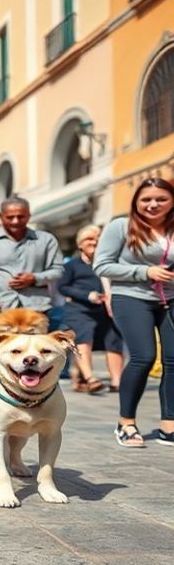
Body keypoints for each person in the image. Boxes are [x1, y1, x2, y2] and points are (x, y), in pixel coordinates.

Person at [93, 177, 174, 448]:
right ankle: (126, 422)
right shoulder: (121, 226)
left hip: (170, 299)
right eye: (146, 199)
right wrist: (144, 272)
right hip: (131, 298)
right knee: (144, 356)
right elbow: (102, 265)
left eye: (161, 199)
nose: (153, 204)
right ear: (136, 202)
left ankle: (169, 423)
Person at [0, 196, 64, 366]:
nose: (15, 221)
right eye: (10, 217)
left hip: (36, 309)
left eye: (21, 216)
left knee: (35, 360)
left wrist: (35, 278)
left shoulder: (46, 239)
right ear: (0, 216)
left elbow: (58, 270)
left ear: (29, 216)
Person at [58, 225, 124, 394]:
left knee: (114, 341)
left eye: (98, 239)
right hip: (80, 309)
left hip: (107, 310)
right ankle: (90, 378)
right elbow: (63, 287)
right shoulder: (72, 265)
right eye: (89, 239)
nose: (94, 242)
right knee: (83, 338)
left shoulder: (110, 263)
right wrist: (87, 295)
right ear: (80, 244)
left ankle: (117, 381)